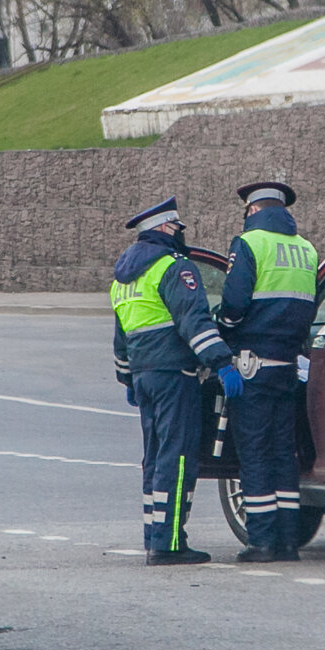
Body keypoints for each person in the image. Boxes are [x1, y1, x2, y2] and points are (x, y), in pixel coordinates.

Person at [111, 196, 245, 566]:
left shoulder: (124, 277)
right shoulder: (174, 268)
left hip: (143, 377)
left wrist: (127, 379)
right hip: (174, 376)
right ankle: (170, 545)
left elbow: (121, 338)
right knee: (179, 456)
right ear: (168, 229)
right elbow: (194, 322)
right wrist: (223, 363)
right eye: (178, 228)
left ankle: (154, 536)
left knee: (154, 458)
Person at [215, 181, 318, 563]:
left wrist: (220, 326)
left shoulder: (250, 244)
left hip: (253, 364)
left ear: (253, 210)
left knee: (254, 454)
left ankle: (261, 541)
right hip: (289, 366)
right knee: (283, 453)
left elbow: (235, 304)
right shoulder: (306, 249)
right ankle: (289, 541)